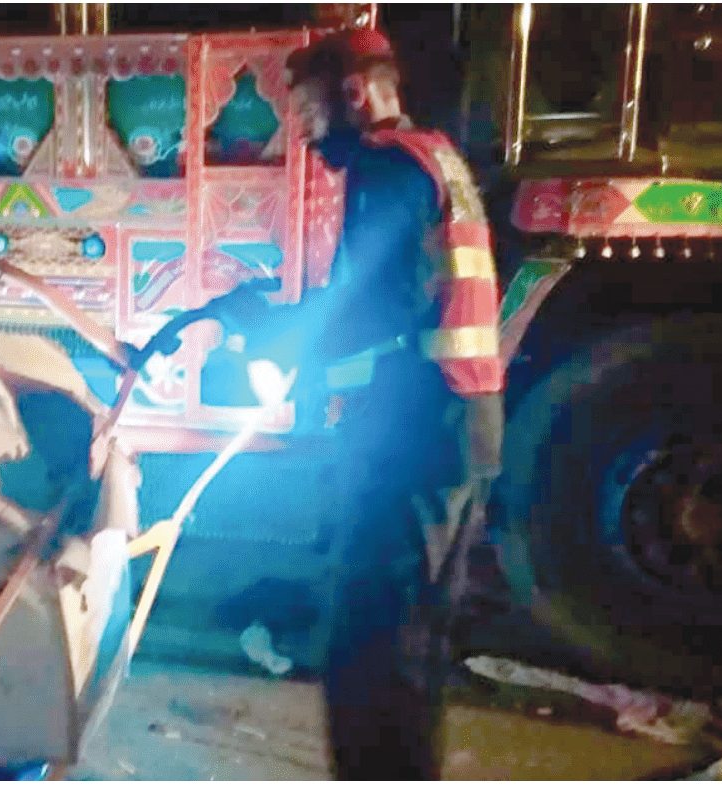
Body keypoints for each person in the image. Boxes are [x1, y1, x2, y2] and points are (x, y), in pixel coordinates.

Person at [263, 26, 506, 779]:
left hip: (420, 432)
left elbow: (373, 304)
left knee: (372, 644)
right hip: (461, 423)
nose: (302, 132)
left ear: (353, 94)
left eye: (306, 112)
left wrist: (278, 341)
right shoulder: (437, 155)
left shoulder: (384, 164)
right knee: (416, 642)